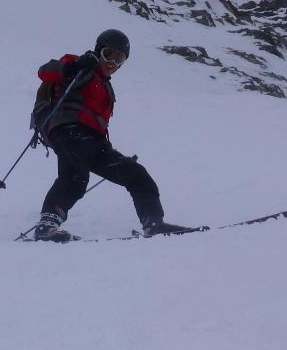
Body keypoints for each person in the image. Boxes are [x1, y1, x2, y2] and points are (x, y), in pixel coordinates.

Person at [32, 29, 193, 242]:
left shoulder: (105, 84)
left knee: (137, 176)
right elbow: (45, 71)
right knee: (74, 178)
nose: (113, 62)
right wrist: (75, 66)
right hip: (69, 131)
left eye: (120, 58)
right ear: (99, 51)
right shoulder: (79, 64)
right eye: (109, 54)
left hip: (94, 143)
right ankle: (46, 226)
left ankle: (154, 224)